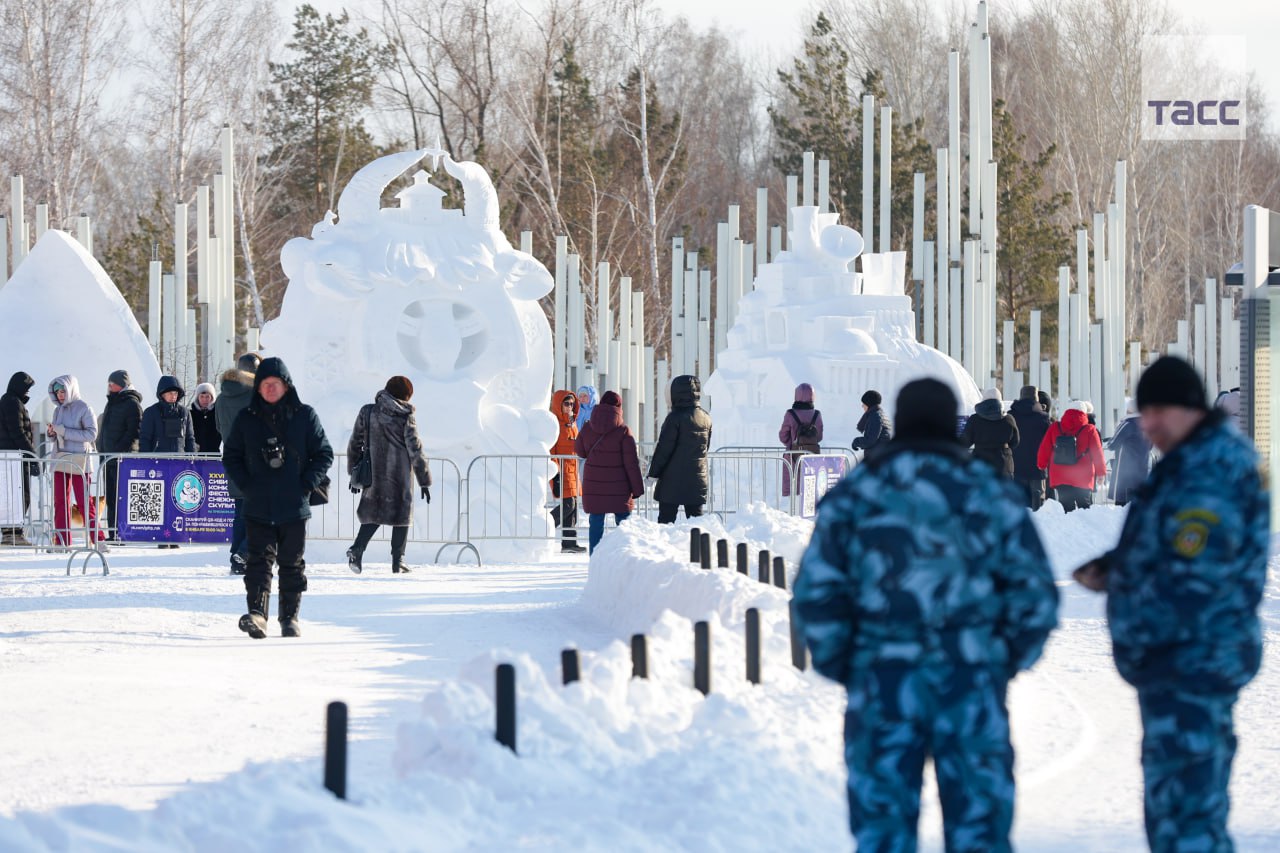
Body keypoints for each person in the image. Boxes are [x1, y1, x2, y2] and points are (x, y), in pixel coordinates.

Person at [795, 378, 1058, 852]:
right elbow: (1034, 597)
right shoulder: (989, 494)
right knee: (979, 832)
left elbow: (817, 594)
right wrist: (998, 661)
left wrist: (848, 665)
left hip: (882, 687)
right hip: (971, 686)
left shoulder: (858, 495)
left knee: (884, 834)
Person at [1073, 357, 1268, 852]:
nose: (1149, 424)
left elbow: (1196, 576)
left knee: (1189, 817)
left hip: (1192, 663)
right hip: (1177, 665)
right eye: (1145, 411)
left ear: (1190, 410)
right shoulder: (1190, 463)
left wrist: (1130, 582)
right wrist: (1119, 568)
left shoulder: (1212, 470)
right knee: (1175, 813)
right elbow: (1171, 549)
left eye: (1159, 411)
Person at [222, 357, 333, 638]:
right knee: (258, 562)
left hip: (294, 506)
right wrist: (247, 484)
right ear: (258, 388)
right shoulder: (247, 419)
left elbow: (324, 454)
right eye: (265, 384)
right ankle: (258, 614)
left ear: (286, 386)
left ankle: (289, 617)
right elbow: (231, 456)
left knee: (291, 563)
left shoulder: (305, 416)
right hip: (258, 504)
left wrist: (306, 483)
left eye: (276, 384)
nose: (270, 389)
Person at [345, 376, 432, 574]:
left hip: (374, 475)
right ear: (405, 396)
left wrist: (353, 471)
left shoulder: (368, 412)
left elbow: (354, 443)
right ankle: (397, 560)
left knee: (373, 513)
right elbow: (415, 449)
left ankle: (357, 549)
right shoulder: (406, 416)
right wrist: (424, 480)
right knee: (401, 515)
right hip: (399, 476)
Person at [575, 390, 644, 554]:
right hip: (619, 487)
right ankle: (625, 558)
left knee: (596, 522)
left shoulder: (587, 428)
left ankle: (595, 560)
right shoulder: (624, 431)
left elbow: (580, 451)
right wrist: (637, 488)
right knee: (623, 525)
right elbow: (631, 463)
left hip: (594, 485)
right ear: (619, 407)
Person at [46, 375, 102, 546]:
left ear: (70, 389)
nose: (60, 395)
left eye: (63, 391)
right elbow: (57, 437)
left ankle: (98, 539)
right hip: (61, 458)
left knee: (84, 502)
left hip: (80, 460)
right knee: (60, 502)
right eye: (57, 392)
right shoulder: (57, 410)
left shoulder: (84, 408)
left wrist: (63, 431)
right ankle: (61, 541)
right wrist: (52, 434)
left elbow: (92, 434)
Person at [647, 375, 712, 524]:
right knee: (696, 522)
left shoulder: (674, 418)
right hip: (697, 479)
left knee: (666, 522)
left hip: (672, 481)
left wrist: (653, 474)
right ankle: (699, 547)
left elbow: (663, 450)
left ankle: (664, 547)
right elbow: (705, 448)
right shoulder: (706, 417)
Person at [218, 353, 259, 574]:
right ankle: (243, 553)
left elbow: (218, 426)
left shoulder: (222, 397)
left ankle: (237, 557)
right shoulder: (256, 394)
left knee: (240, 512)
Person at [1036, 400, 1106, 512]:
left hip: (1060, 475)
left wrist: (1041, 464)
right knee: (1085, 508)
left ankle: (1068, 528)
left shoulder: (1055, 427)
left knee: (1066, 508)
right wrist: (1101, 473)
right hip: (1083, 476)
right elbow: (1097, 453)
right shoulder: (1090, 430)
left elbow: (1044, 448)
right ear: (1084, 413)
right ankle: (1086, 529)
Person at [98, 370, 143, 541]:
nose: (109, 387)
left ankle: (122, 533)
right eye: (109, 384)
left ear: (122, 384)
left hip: (122, 459)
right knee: (111, 497)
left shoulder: (131, 403)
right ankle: (113, 532)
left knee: (121, 497)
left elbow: (134, 431)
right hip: (108, 458)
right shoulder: (112, 402)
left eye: (112, 384)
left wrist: (118, 449)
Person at [0, 371, 36, 545]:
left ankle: (12, 532)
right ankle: (12, 532)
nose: (28, 392)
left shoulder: (12, 401)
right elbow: (18, 432)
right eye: (26, 388)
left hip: (13, 456)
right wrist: (32, 454)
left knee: (15, 495)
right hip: (15, 456)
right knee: (21, 494)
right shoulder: (12, 402)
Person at [548, 389, 585, 552]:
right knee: (568, 505)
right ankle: (545, 526)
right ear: (559, 404)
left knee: (573, 506)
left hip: (573, 469)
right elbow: (552, 450)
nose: (570, 407)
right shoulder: (555, 424)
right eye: (566, 403)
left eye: (572, 404)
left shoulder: (572, 423)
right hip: (562, 470)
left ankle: (569, 543)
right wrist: (555, 474)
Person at [960, 387, 1020, 479]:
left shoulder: (974, 419)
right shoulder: (1009, 419)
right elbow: (1015, 442)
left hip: (980, 462)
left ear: (983, 400)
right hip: (1003, 462)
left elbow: (965, 442)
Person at [1010, 385, 1052, 509]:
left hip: (1017, 465)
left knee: (1018, 502)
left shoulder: (1011, 416)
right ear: (1036, 398)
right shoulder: (1043, 418)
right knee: (1038, 502)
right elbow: (1049, 440)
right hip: (1037, 467)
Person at [779, 383, 823, 498]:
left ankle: (791, 511)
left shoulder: (790, 414)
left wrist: (792, 443)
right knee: (810, 488)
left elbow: (783, 436)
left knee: (793, 490)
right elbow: (819, 437)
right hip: (812, 455)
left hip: (792, 456)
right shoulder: (817, 414)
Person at [1108, 399, 1152, 506]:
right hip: (1142, 469)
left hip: (1125, 470)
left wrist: (1109, 441)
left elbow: (1112, 444)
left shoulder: (1128, 423)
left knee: (1121, 503)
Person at [139, 375, 196, 454]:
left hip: (180, 461)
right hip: (157, 461)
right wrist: (145, 460)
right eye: (170, 393)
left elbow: (190, 439)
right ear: (162, 394)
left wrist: (192, 460)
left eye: (175, 393)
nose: (173, 396)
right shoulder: (151, 412)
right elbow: (145, 439)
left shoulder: (185, 412)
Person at [851, 390, 891, 454]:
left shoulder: (875, 417)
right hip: (881, 454)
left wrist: (856, 442)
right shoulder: (881, 414)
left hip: (877, 456)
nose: (862, 406)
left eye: (864, 404)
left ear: (869, 404)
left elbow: (869, 441)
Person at [190, 382, 220, 453]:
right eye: (202, 397)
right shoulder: (191, 414)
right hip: (195, 455)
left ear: (212, 398)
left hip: (213, 455)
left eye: (207, 396)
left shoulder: (218, 414)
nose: (204, 400)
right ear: (198, 398)